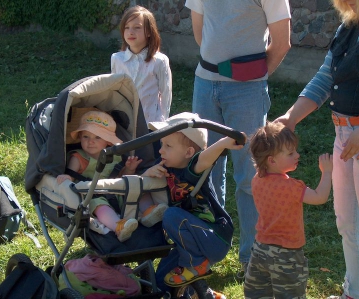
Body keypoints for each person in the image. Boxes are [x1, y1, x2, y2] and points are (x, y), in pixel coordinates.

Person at [275, 0, 359, 298]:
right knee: (348, 224)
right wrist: (290, 117)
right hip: (344, 135)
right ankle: (356, 292)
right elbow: (325, 77)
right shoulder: (348, 27)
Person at [184, 0, 292, 273]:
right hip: (205, 82)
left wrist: (252, 78)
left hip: (248, 91)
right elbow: (200, 34)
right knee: (207, 170)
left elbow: (281, 43)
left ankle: (252, 258)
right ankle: (210, 250)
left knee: (249, 174)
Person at [142, 112, 244, 299]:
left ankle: (196, 265)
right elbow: (142, 181)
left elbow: (205, 158)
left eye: (167, 146)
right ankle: (203, 294)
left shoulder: (193, 169)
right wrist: (148, 173)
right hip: (191, 239)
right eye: (162, 144)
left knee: (171, 215)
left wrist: (224, 143)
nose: (160, 150)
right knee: (162, 280)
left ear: (188, 153)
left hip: (214, 236)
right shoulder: (165, 165)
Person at [244, 122, 333, 298]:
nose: (297, 155)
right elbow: (319, 197)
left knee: (258, 294)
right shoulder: (291, 187)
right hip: (287, 254)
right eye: (290, 153)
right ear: (272, 160)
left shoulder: (256, 180)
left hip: (260, 250)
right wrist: (327, 172)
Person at [57, 110, 168, 242]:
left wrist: (128, 168)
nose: (90, 142)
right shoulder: (78, 157)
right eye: (86, 136)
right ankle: (118, 227)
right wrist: (67, 178)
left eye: (97, 137)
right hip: (94, 195)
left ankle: (148, 212)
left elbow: (121, 177)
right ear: (80, 138)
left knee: (137, 188)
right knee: (99, 206)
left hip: (117, 192)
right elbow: (71, 175)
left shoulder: (115, 157)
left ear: (108, 142)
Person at [111, 5, 172, 158]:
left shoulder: (159, 61)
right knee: (129, 160)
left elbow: (166, 93)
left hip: (152, 124)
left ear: (149, 32)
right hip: (125, 123)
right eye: (127, 27)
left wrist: (163, 124)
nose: (131, 32)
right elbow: (113, 89)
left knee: (151, 160)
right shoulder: (117, 59)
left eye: (137, 28)